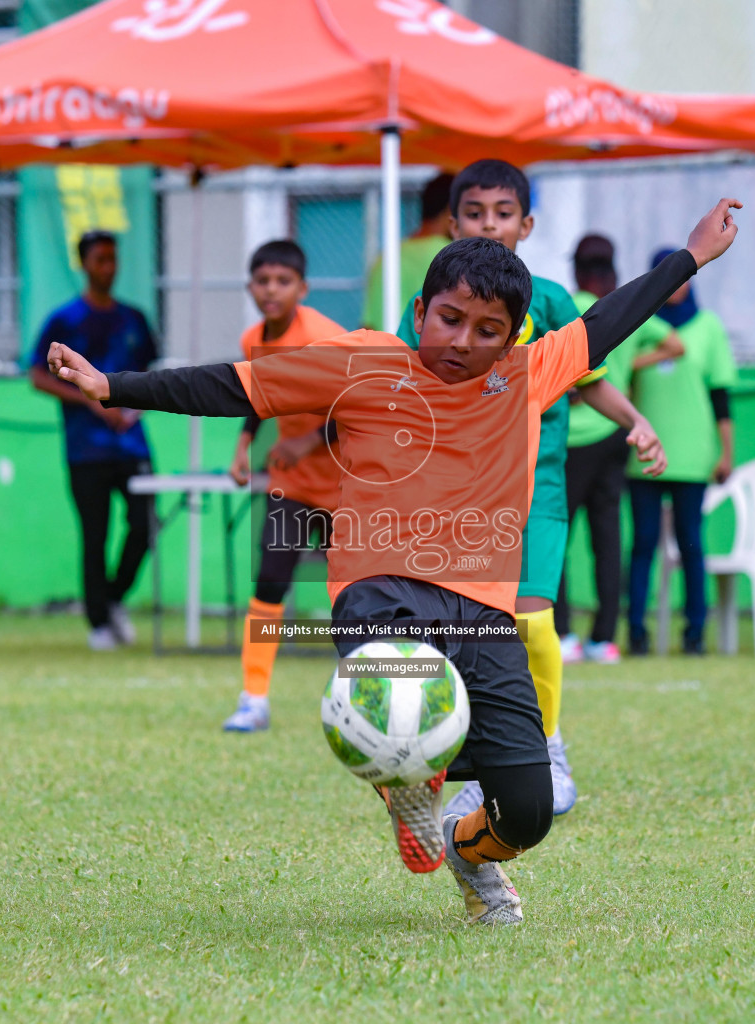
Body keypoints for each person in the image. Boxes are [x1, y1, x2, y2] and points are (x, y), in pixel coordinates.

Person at [47, 198, 742, 924]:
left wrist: (689, 258)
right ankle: (406, 776)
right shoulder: (364, 362)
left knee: (529, 813)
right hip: (380, 591)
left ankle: (468, 852)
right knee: (393, 688)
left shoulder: (526, 377)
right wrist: (112, 385)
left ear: (512, 339)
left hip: (484, 614)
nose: (463, 342)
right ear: (420, 308)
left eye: (487, 331)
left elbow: (609, 321)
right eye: (449, 318)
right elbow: (235, 384)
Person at [394, 160, 664, 821]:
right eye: (477, 213)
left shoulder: (549, 301)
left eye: (504, 213)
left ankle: (547, 747)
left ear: (527, 224)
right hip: (460, 494)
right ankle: (470, 754)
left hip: (536, 481)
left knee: (532, 618)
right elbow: (405, 382)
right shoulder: (427, 307)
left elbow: (587, 376)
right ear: (451, 225)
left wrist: (637, 421)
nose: (491, 224)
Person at [222, 240, 347, 731]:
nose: (271, 290)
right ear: (250, 286)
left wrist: (310, 442)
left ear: (303, 288)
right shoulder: (253, 337)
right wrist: (243, 446)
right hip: (292, 484)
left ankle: (365, 694)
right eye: (262, 280)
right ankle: (253, 697)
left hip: (345, 484)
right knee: (271, 581)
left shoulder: (323, 337)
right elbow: (260, 394)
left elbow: (360, 403)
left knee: (353, 596)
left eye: (283, 281)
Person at [29, 231, 159, 651]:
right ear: (84, 264)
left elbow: (153, 375)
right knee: (95, 534)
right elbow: (38, 376)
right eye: (100, 259)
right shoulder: (65, 320)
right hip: (87, 449)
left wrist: (133, 408)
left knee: (145, 526)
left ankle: (115, 598)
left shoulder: (134, 319)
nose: (109, 267)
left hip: (132, 445)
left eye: (113, 259)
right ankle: (99, 622)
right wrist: (90, 403)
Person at [623, 248, 738, 656]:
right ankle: (635, 632)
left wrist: (726, 454)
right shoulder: (637, 324)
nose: (678, 285)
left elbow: (721, 397)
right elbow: (620, 374)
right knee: (643, 544)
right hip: (644, 455)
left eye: (683, 276)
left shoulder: (708, 327)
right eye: (668, 276)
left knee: (691, 545)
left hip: (693, 456)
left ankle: (694, 635)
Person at [557, 235, 636, 665]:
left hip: (573, 440)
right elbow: (674, 343)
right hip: (614, 434)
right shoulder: (625, 305)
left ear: (577, 270)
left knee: (557, 536)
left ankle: (564, 634)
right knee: (607, 540)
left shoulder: (568, 307)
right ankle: (604, 638)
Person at [360, 172, 454, 331]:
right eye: (472, 212)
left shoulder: (387, 257)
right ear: (451, 210)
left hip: (383, 352)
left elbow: (369, 326)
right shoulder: (454, 258)